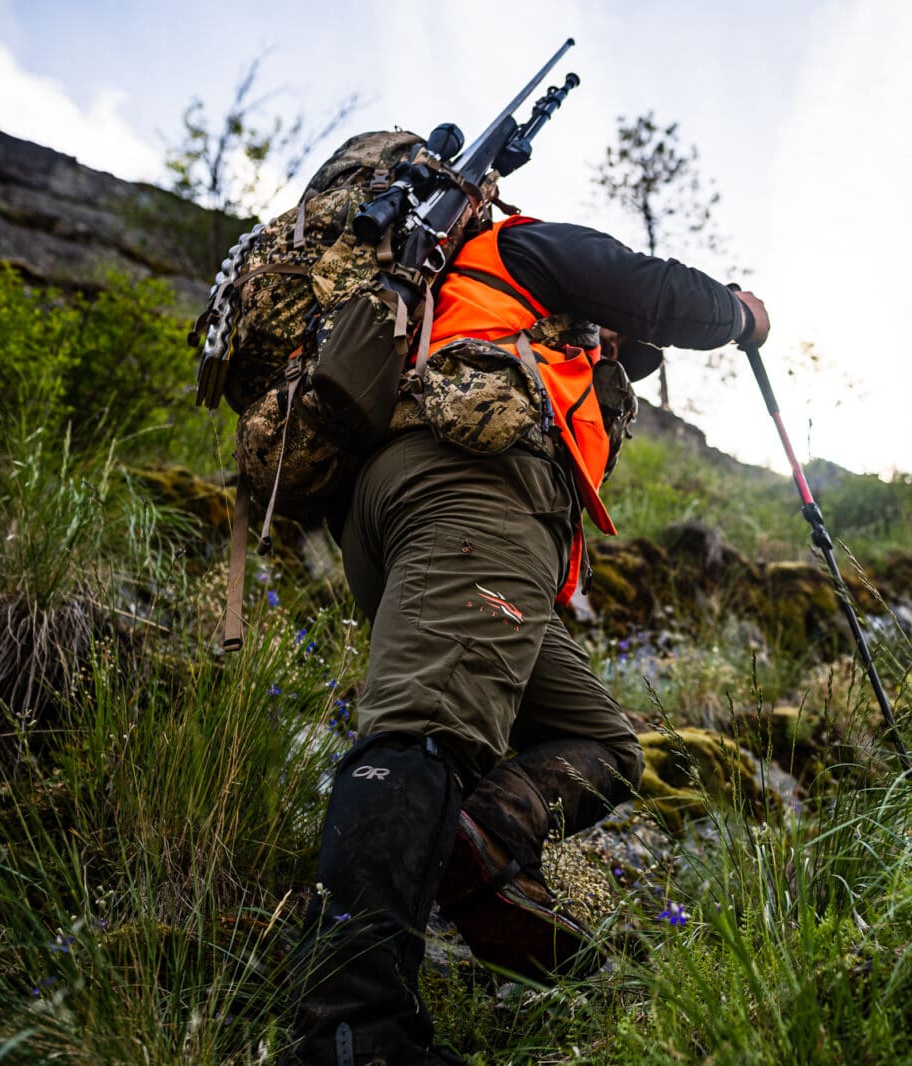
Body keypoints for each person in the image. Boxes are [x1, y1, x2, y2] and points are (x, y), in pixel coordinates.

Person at [288, 210, 769, 1065]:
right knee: (426, 728)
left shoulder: (514, 324)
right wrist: (739, 313)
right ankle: (353, 1031)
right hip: (465, 492)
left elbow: (619, 341)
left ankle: (482, 842)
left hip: (439, 515)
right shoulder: (521, 246)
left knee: (602, 742)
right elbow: (656, 292)